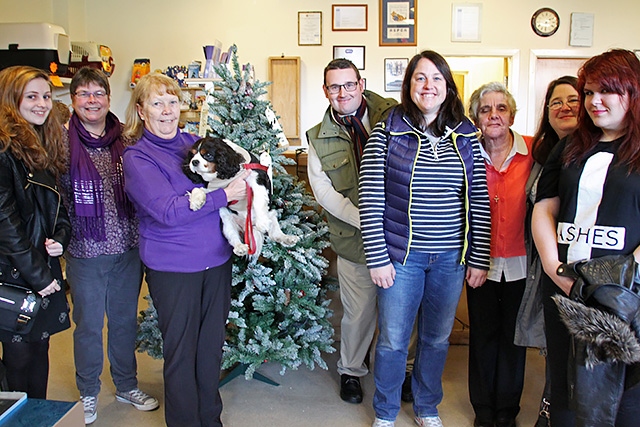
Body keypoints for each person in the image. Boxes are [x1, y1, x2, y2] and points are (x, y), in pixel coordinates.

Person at [359, 50, 491, 427]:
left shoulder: (467, 136)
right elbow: (370, 197)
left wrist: (479, 257)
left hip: (450, 259)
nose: (428, 85)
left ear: (448, 87)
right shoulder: (386, 133)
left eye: (437, 78)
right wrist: (378, 257)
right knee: (393, 341)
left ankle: (426, 406)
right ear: (409, 85)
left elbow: (479, 201)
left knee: (436, 339)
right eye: (420, 78)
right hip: (401, 258)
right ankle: (385, 412)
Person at [122, 72, 248, 427]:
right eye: (157, 103)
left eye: (172, 101)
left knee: (210, 351)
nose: (166, 110)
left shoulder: (195, 142)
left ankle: (210, 420)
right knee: (181, 354)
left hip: (217, 263)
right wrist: (224, 195)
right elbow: (167, 211)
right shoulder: (138, 158)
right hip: (174, 269)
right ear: (141, 110)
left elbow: (236, 167)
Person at [532, 48, 640, 427]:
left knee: (622, 397)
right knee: (565, 388)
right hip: (565, 288)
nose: (594, 102)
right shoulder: (571, 146)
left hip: (624, 298)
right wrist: (553, 267)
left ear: (632, 92)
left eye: (606, 91)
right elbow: (544, 206)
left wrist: (619, 284)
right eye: (589, 92)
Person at [306, 58, 411, 404]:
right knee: (359, 311)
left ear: (361, 84)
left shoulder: (394, 114)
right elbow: (323, 193)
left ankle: (405, 370)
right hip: (354, 240)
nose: (343, 93)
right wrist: (365, 219)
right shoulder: (317, 138)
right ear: (326, 91)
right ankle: (351, 370)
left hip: (400, 237)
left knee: (403, 309)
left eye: (349, 84)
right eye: (334, 87)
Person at [58, 67, 158, 425]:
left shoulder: (127, 139)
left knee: (123, 322)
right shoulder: (62, 142)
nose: (91, 100)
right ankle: (88, 392)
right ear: (73, 100)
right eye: (83, 94)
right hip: (85, 253)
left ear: (108, 98)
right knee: (87, 326)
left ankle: (125, 384)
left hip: (127, 249)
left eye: (98, 93)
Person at [0, 65, 72, 398]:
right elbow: (5, 222)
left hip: (41, 263)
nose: (42, 104)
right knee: (18, 354)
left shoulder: (41, 143)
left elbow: (56, 206)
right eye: (32, 96)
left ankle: (38, 417)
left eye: (45, 96)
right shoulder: (4, 150)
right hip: (15, 270)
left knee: (40, 348)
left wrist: (60, 237)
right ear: (10, 99)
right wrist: (39, 276)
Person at [466, 82, 533, 427]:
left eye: (501, 108)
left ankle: (507, 410)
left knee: (513, 337)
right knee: (482, 335)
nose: (494, 115)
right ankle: (483, 410)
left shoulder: (533, 150)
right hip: (480, 262)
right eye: (485, 109)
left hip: (521, 262)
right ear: (475, 116)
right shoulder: (466, 153)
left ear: (512, 114)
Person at [514, 75, 579, 427]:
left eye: (573, 99)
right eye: (556, 102)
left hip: (584, 267)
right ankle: (549, 413)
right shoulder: (539, 154)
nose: (564, 107)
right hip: (546, 264)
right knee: (556, 350)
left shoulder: (600, 152)